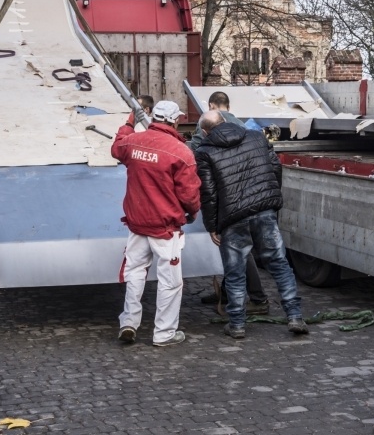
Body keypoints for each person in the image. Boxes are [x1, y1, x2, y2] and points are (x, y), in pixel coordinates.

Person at [194, 110, 309, 339]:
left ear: (205, 131)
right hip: (264, 211)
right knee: (280, 265)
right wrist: (272, 201)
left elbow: (209, 193)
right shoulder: (256, 138)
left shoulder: (205, 151)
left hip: (232, 218)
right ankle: (295, 316)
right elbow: (275, 168)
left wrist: (212, 226)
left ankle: (237, 324)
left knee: (235, 272)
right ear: (225, 122)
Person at [111, 100, 201, 347]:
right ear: (174, 120)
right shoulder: (181, 152)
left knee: (135, 273)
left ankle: (129, 322)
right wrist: (192, 213)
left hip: (137, 224)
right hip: (165, 228)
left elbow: (117, 147)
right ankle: (164, 334)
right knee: (170, 282)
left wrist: (129, 121)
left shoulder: (132, 142)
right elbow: (190, 194)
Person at [190, 91, 270, 316]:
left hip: (227, 196)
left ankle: (258, 298)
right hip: (248, 193)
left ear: (212, 106)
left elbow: (195, 155)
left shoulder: (207, 125)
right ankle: (228, 293)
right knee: (236, 246)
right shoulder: (244, 126)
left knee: (238, 247)